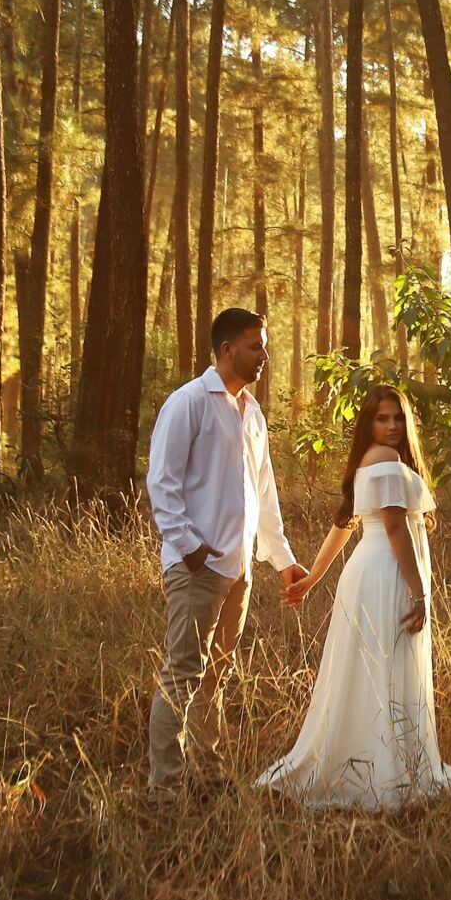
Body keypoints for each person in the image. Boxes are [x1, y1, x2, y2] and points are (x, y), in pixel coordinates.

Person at [256, 383, 451, 810]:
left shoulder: (370, 460)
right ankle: (387, 776)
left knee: (369, 670)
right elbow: (394, 527)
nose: (392, 426)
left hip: (368, 573)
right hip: (387, 574)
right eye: (381, 418)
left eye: (398, 417)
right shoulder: (385, 459)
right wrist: (419, 593)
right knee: (386, 666)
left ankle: (374, 765)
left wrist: (313, 578)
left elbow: (343, 524)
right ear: (368, 423)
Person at [144, 307, 309, 800]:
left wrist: (282, 560)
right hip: (197, 567)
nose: (264, 356)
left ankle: (209, 774)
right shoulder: (189, 403)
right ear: (227, 349)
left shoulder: (252, 413)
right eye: (256, 347)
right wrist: (190, 548)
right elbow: (162, 483)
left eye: (265, 347)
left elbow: (264, 493)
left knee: (216, 674)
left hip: (238, 569)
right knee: (183, 675)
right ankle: (165, 789)